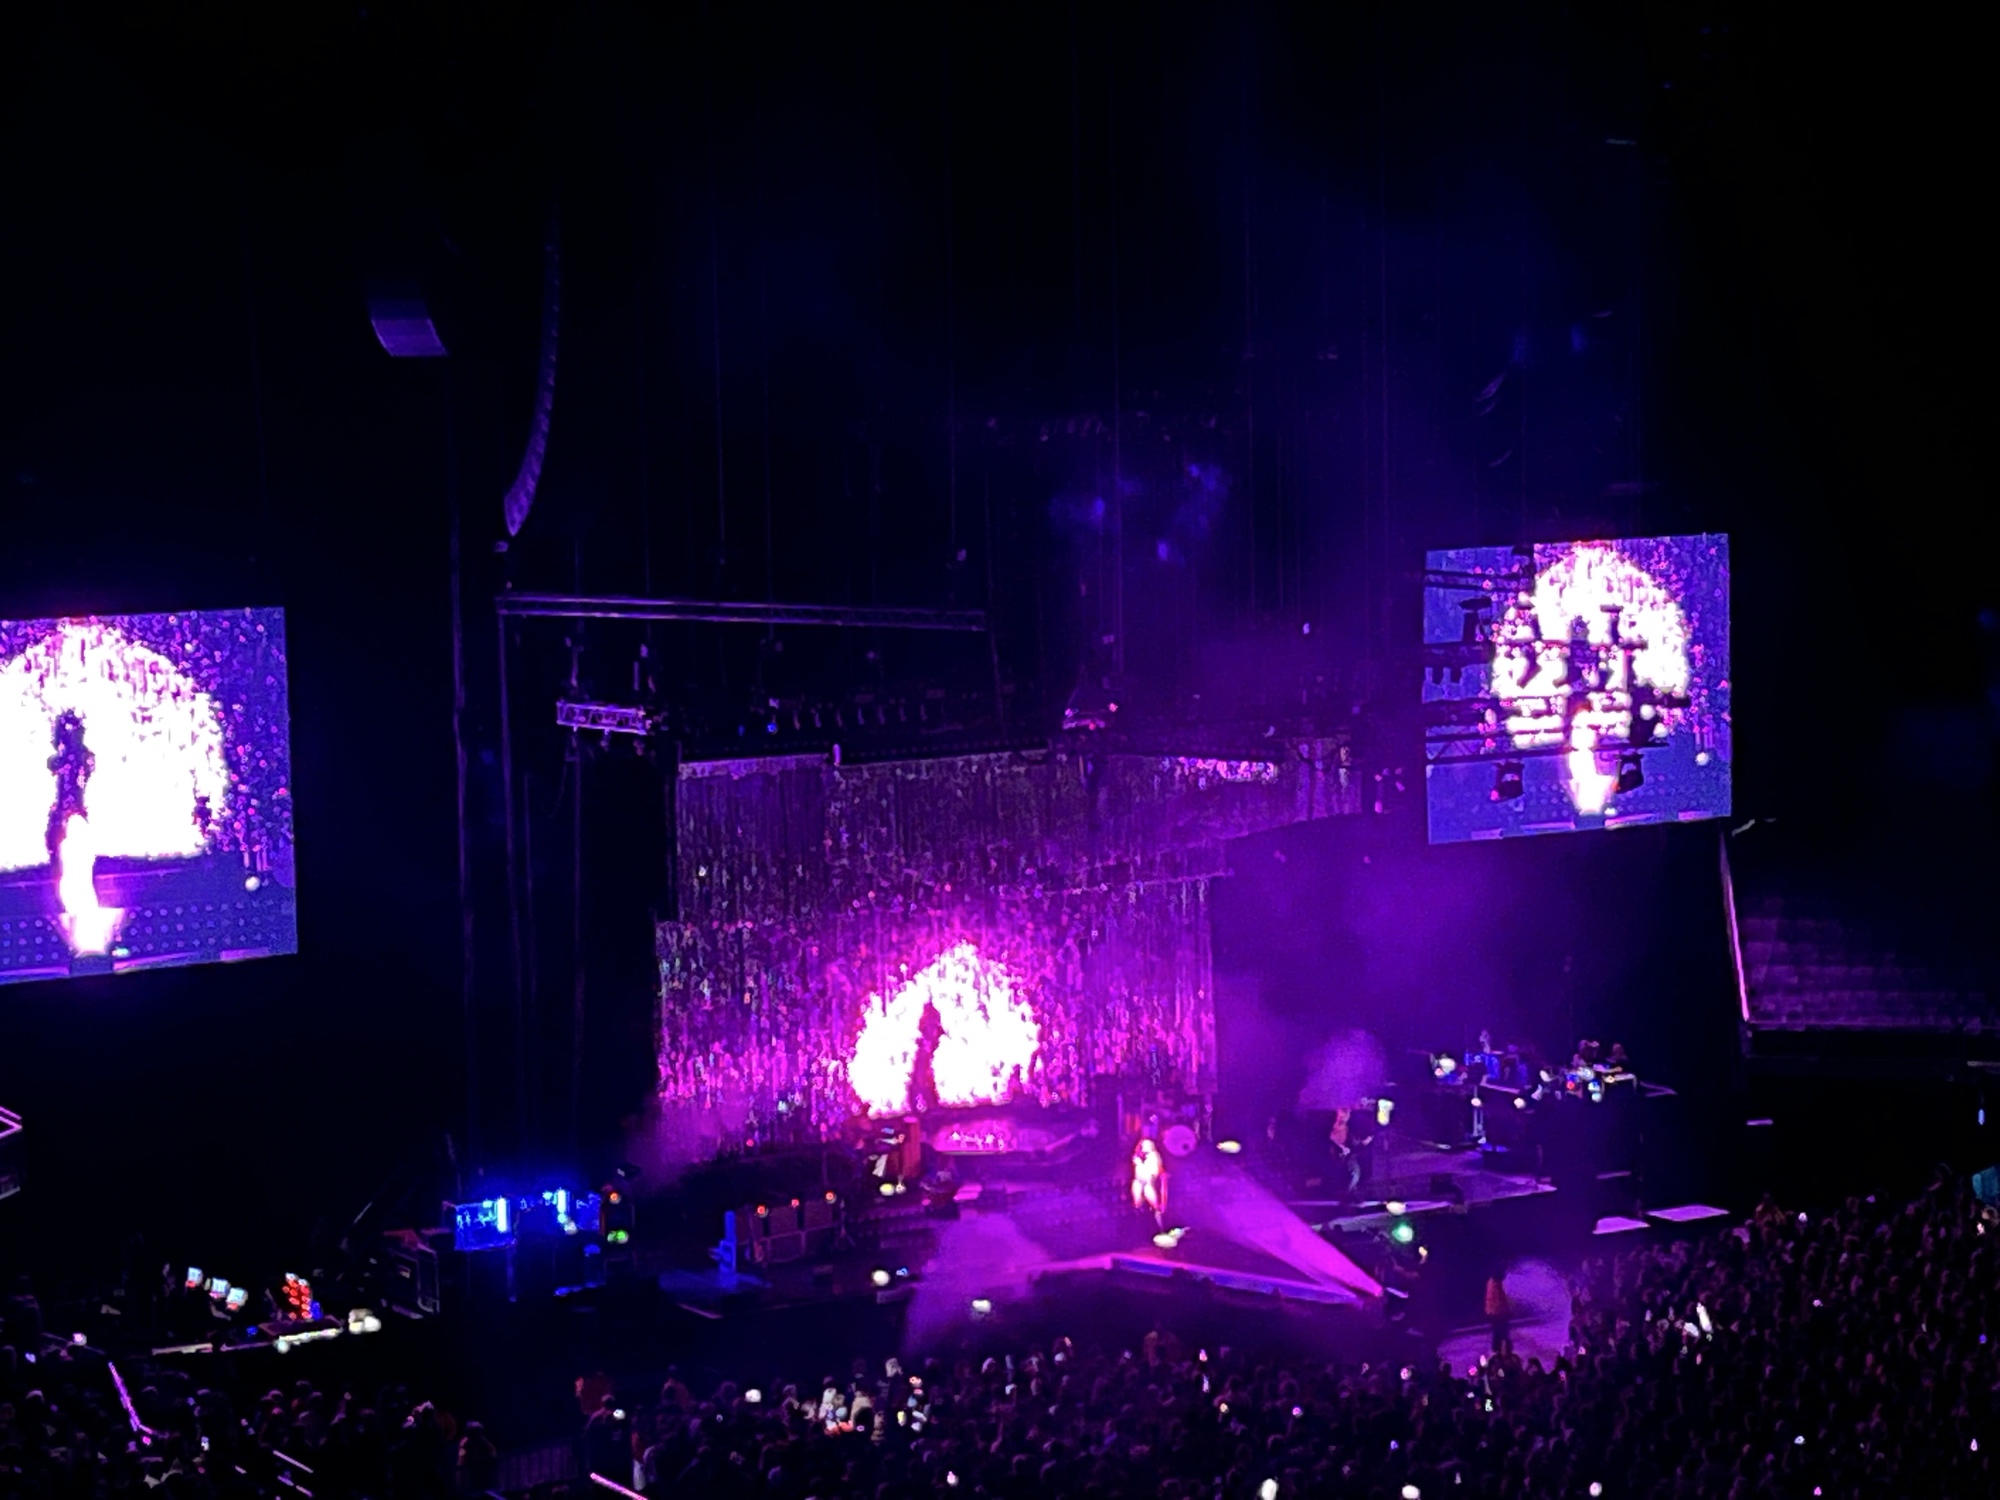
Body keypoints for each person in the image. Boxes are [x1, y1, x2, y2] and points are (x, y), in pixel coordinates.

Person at [1485, 1270, 1513, 1353]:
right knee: (1502, 1331)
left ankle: (1497, 1347)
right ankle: (1502, 1348)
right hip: (1499, 1312)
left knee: (1497, 1330)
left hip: (1493, 1312)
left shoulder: (1491, 1282)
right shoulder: (1497, 1285)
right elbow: (1501, 1300)